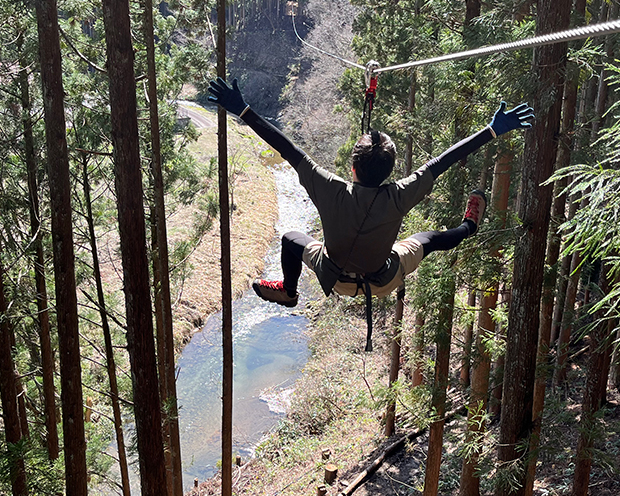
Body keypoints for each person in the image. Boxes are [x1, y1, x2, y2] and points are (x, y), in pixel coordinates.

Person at [207, 77, 533, 346]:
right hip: (383, 280)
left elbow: (287, 148)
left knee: (291, 239)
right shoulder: (398, 195)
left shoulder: (329, 188)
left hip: (334, 277)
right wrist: (492, 130)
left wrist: (243, 109)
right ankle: (469, 227)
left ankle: (289, 292)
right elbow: (443, 161)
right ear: (390, 171)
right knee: (429, 240)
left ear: (352, 168)